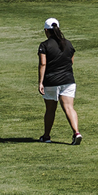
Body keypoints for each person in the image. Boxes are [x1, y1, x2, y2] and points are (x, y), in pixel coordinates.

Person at [37, 17, 81, 145]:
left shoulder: (44, 45)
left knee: (50, 110)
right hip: (68, 80)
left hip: (51, 81)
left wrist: (40, 82)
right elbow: (71, 61)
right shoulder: (68, 43)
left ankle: (46, 136)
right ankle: (76, 132)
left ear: (46, 30)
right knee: (69, 107)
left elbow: (42, 64)